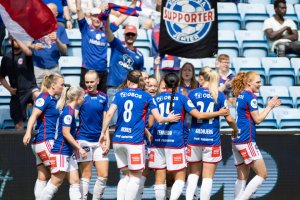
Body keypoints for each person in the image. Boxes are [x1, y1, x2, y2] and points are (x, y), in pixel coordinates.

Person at [100, 70, 181, 200]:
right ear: (141, 82)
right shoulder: (146, 96)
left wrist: (103, 133)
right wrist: (169, 118)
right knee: (135, 177)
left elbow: (109, 114)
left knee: (126, 175)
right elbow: (159, 119)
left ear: (128, 81)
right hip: (134, 142)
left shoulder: (119, 94)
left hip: (118, 140)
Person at [149, 73, 230, 200]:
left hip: (158, 141)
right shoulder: (182, 98)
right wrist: (219, 112)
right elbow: (198, 115)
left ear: (164, 83)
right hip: (176, 142)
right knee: (181, 178)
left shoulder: (154, 99)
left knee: (160, 178)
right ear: (178, 84)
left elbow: (150, 123)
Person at [185, 67, 238, 200]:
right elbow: (229, 118)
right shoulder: (219, 95)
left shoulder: (192, 94)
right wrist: (235, 129)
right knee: (207, 177)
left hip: (194, 138)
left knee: (193, 174)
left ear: (201, 78)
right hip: (211, 140)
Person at [231, 71, 281, 200]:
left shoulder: (241, 95)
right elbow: (257, 119)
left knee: (242, 177)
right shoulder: (250, 97)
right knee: (262, 174)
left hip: (237, 139)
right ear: (248, 83)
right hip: (246, 140)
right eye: (257, 82)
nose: (260, 84)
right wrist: (269, 107)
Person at [76, 0, 138, 93]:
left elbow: (123, 17)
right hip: (87, 69)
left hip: (102, 71)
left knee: (103, 100)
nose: (97, 19)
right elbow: (78, 8)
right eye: (94, 16)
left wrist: (134, 3)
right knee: (84, 98)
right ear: (90, 17)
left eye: (99, 16)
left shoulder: (107, 30)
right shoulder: (85, 28)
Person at [38, 86, 86, 200]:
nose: (84, 99)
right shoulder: (68, 112)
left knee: (75, 181)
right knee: (55, 183)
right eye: (83, 97)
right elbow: (66, 133)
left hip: (67, 152)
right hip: (61, 152)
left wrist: (73, 147)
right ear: (77, 97)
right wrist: (79, 147)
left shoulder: (69, 110)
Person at [23, 73, 65, 199]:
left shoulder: (52, 99)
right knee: (59, 173)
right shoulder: (45, 97)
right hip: (45, 141)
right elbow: (33, 115)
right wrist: (27, 132)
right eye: (61, 84)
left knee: (43, 177)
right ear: (53, 85)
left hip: (40, 143)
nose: (63, 87)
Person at [75, 70, 110, 200]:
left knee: (103, 175)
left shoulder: (104, 97)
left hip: (99, 141)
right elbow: (74, 116)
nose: (89, 84)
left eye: (91, 82)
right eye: (87, 82)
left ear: (97, 81)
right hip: (84, 140)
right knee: (86, 175)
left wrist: (107, 141)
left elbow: (106, 121)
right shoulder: (81, 96)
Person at [0, 36, 39, 130]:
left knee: (38, 96)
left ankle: (36, 122)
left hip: (30, 88)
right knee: (18, 125)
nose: (16, 41)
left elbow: (29, 52)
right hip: (17, 93)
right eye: (13, 39)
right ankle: (22, 142)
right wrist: (9, 89)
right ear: (9, 41)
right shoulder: (6, 58)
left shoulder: (25, 53)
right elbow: (1, 77)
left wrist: (18, 38)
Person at [31, 3, 69, 86]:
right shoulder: (34, 27)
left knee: (55, 96)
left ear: (56, 14)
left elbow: (65, 51)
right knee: (39, 97)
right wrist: (34, 46)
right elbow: (26, 45)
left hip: (54, 68)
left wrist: (57, 40)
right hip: (38, 67)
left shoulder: (61, 29)